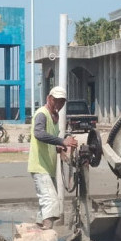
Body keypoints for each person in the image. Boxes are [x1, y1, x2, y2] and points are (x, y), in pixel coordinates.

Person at [27, 86, 78, 229]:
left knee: (45, 203)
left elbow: (50, 140)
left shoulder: (54, 117)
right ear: (49, 99)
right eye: (56, 101)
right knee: (51, 200)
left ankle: (39, 231)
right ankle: (47, 233)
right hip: (39, 165)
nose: (59, 105)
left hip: (48, 166)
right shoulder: (42, 114)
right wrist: (62, 141)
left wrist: (61, 148)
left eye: (62, 102)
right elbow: (39, 134)